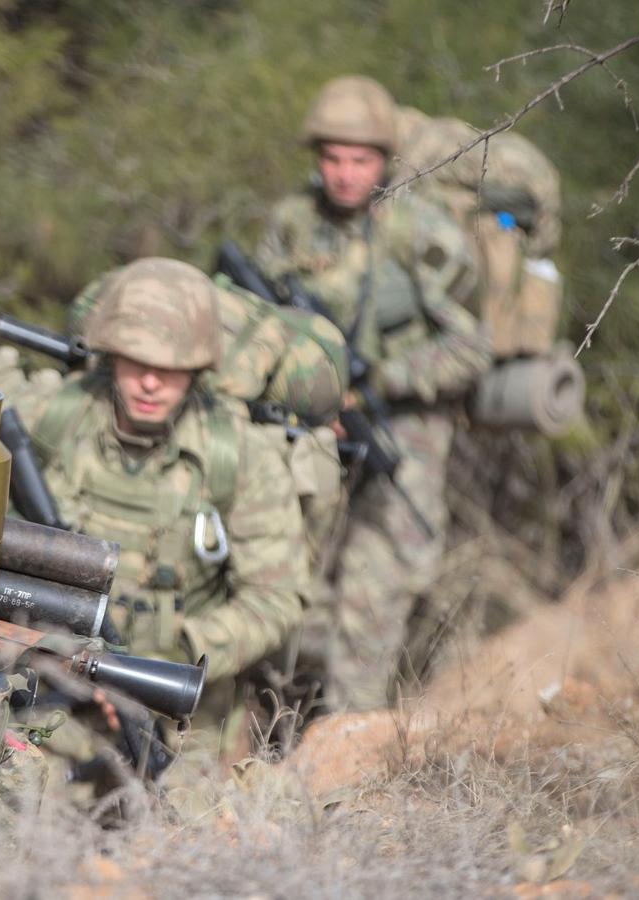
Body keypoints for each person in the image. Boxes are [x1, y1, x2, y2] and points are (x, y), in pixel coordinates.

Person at [0, 258, 309, 768]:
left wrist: (184, 647)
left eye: (170, 369)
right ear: (110, 355)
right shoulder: (47, 415)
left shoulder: (239, 456)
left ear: (197, 368)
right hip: (33, 675)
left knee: (191, 822)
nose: (150, 383)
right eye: (135, 362)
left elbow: (277, 596)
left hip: (173, 704)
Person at [255, 75, 493, 712]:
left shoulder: (421, 233)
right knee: (281, 577)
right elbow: (257, 323)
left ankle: (348, 741)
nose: (344, 174)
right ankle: (275, 721)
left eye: (360, 160)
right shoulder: (293, 224)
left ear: (385, 160)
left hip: (400, 428)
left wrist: (385, 380)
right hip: (306, 428)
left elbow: (472, 349)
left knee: (378, 584)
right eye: (332, 159)